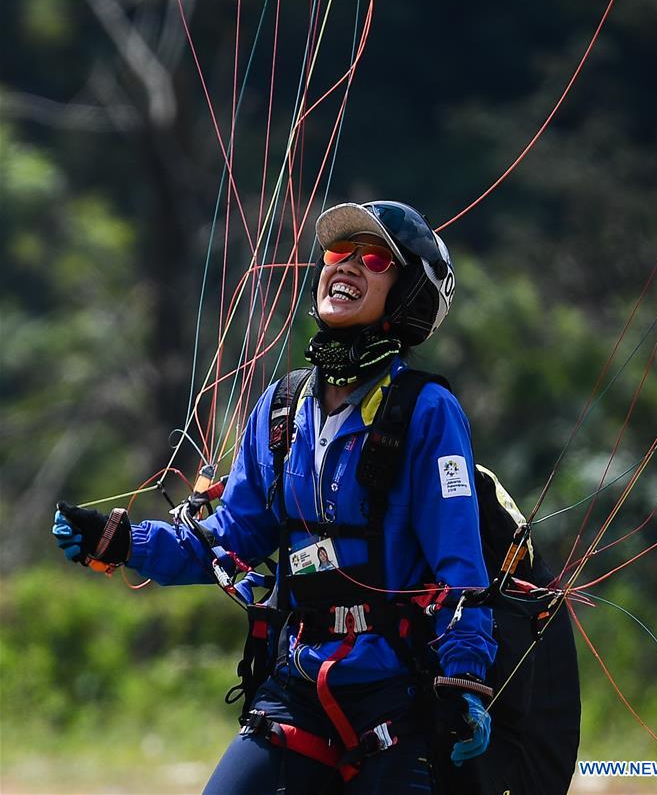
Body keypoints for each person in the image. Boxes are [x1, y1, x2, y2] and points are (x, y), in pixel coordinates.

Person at [53, 201, 496, 794]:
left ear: (410, 292)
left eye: (374, 259)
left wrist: (465, 681)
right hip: (297, 684)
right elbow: (225, 542)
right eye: (339, 254)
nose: (346, 267)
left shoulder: (427, 411)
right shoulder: (284, 407)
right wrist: (119, 540)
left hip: (396, 692)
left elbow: (459, 568)